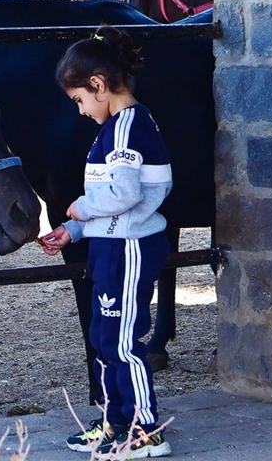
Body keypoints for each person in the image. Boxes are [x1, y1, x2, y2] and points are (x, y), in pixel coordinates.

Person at [39, 25, 173, 459]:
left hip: (129, 248)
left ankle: (144, 430)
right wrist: (74, 229)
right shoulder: (118, 128)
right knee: (104, 335)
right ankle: (116, 422)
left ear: (98, 85)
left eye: (79, 99)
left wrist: (78, 207)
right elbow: (112, 201)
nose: (79, 110)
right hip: (111, 245)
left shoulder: (125, 130)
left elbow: (125, 195)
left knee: (122, 340)